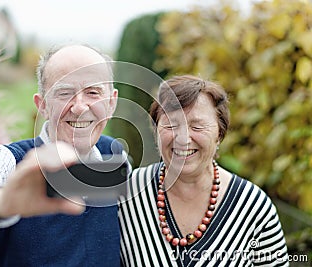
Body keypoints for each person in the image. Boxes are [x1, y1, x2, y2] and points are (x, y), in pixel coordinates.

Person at [0, 44, 125, 267]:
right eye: (64, 93)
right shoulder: (7, 159)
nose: (80, 107)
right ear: (42, 105)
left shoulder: (114, 154)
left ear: (111, 102)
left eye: (93, 92)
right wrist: (0, 202)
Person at [118, 75, 289, 266]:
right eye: (171, 125)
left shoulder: (254, 208)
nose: (183, 138)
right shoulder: (128, 194)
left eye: (197, 126)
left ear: (219, 134)